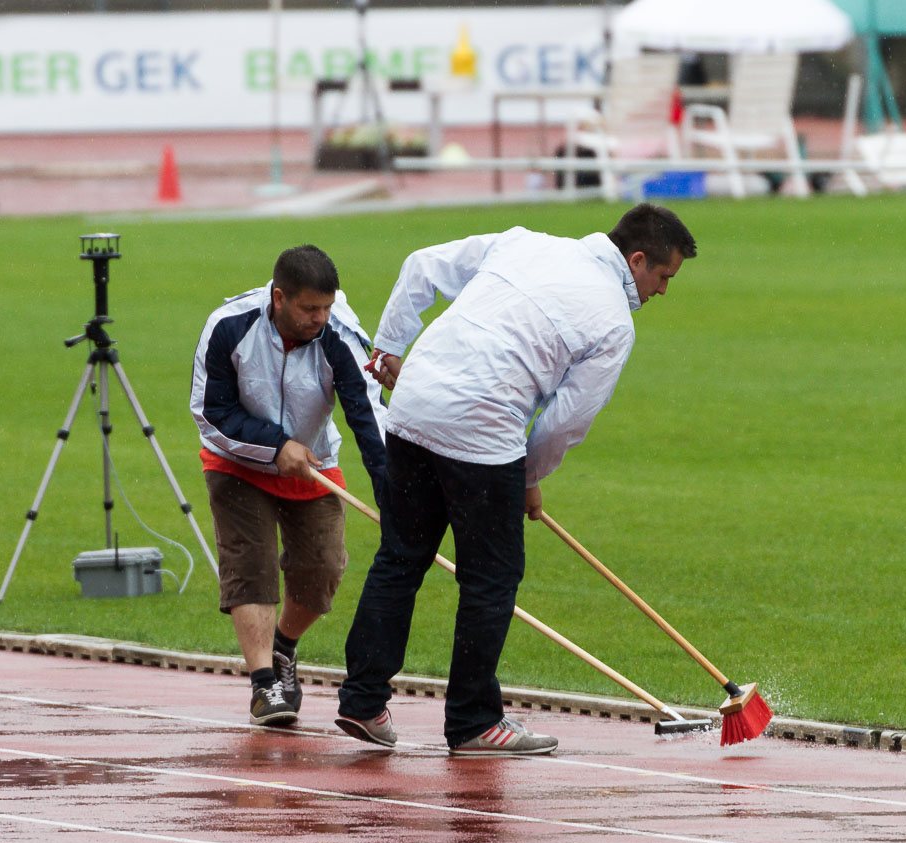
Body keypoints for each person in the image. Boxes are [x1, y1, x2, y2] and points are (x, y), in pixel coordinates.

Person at [335, 203, 697, 755]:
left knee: (400, 558)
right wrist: (529, 475)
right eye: (664, 277)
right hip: (482, 430)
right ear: (637, 260)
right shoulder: (614, 321)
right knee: (491, 579)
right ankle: (475, 722)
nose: (664, 292)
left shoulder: (526, 240)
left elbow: (421, 266)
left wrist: (388, 346)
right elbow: (565, 422)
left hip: (411, 408)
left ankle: (361, 701)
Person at [191, 245, 387, 727]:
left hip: (314, 460)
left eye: (327, 306)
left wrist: (393, 499)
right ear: (279, 298)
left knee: (321, 570)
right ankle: (264, 686)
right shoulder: (228, 326)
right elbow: (210, 414)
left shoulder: (340, 334)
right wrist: (275, 446)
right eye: (309, 309)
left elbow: (368, 419)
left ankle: (284, 648)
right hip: (236, 460)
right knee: (251, 566)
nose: (320, 318)